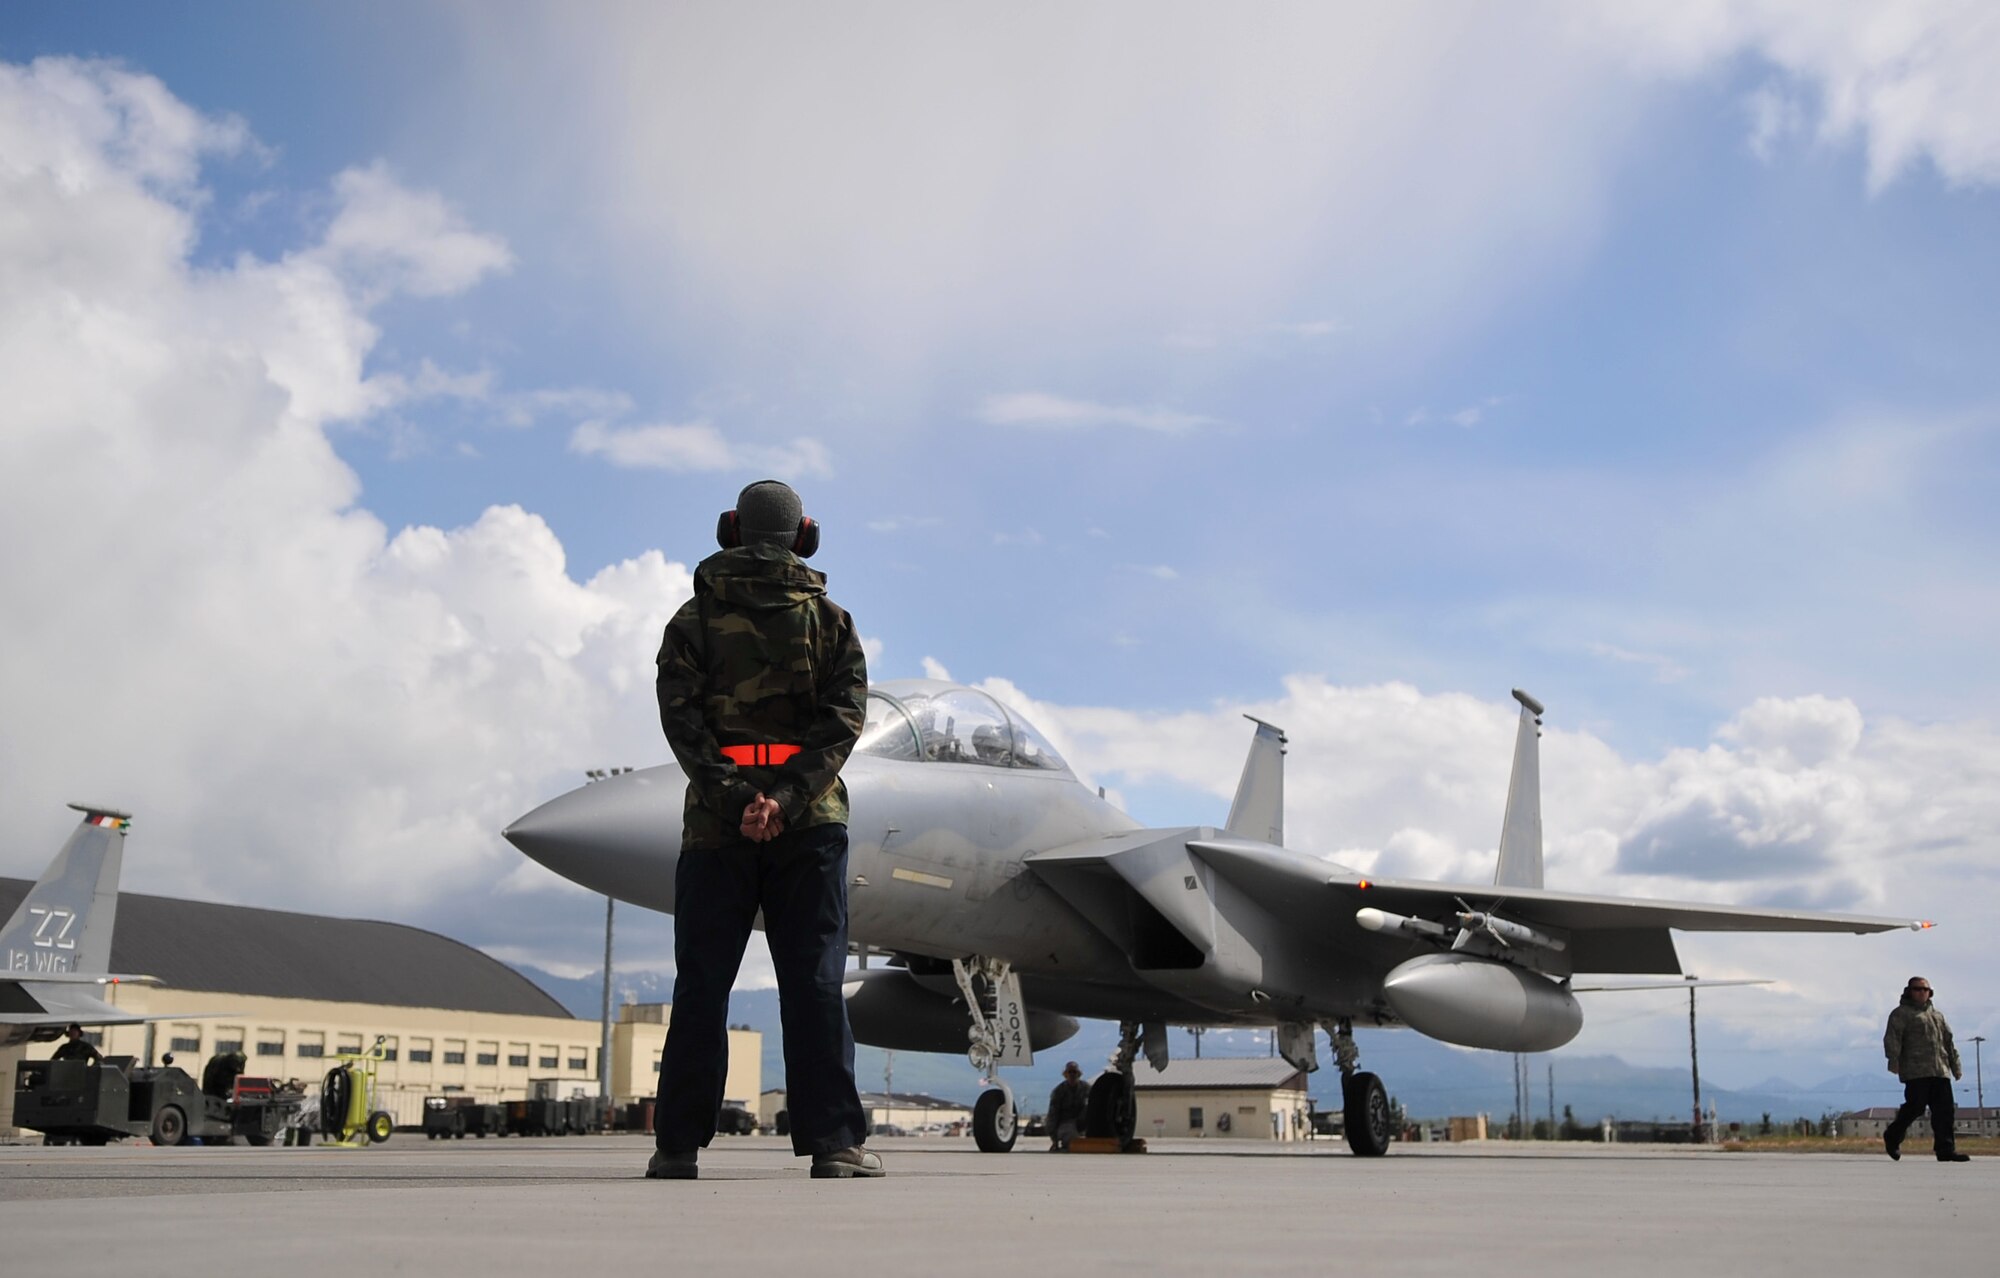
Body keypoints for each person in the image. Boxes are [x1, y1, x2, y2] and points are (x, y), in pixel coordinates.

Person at [647, 480, 878, 1181]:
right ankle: (834, 1145)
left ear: (730, 529)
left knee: (702, 985)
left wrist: (735, 798)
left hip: (716, 832)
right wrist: (784, 798)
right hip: (810, 827)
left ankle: (677, 1147)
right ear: (803, 534)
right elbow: (843, 722)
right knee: (812, 982)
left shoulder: (691, 621)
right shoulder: (831, 622)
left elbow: (680, 720)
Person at [1882, 975, 1970, 1162]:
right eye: (1917, 989)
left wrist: (1955, 1066)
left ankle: (1945, 1150)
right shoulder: (1901, 1014)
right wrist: (1893, 1060)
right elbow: (1892, 1038)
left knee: (1945, 1111)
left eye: (1925, 989)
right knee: (1915, 1107)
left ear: (1930, 993)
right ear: (1909, 991)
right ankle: (1893, 1136)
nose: (1922, 992)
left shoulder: (1937, 1016)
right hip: (1916, 1070)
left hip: (1940, 1070)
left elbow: (1948, 1041)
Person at [1046, 1061, 1091, 1151]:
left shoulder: (1086, 1089)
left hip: (1083, 1123)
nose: (1072, 1075)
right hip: (1066, 1123)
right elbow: (1053, 1115)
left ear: (1079, 1074)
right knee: (1072, 1140)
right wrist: (1054, 1139)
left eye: (1074, 1072)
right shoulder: (1059, 1091)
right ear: (1065, 1074)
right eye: (1069, 1072)